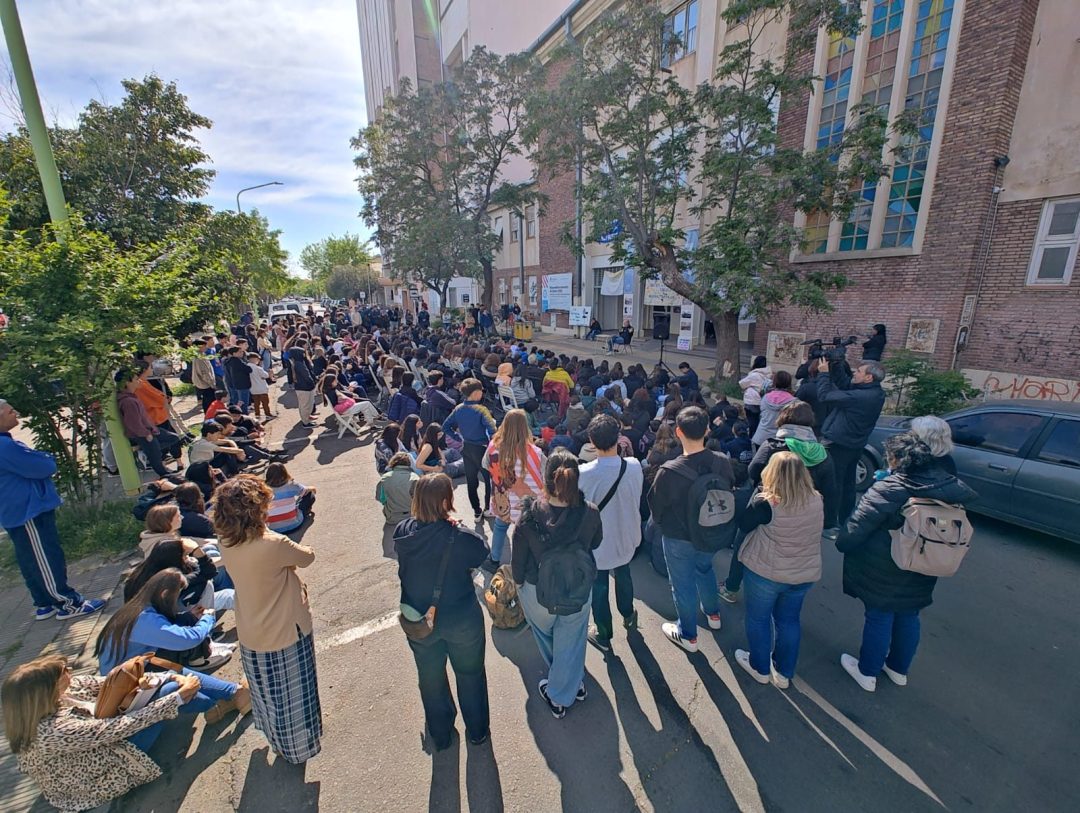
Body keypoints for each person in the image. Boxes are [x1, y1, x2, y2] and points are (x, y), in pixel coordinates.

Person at [836, 433, 975, 692]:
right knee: (909, 614)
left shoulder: (889, 487)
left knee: (879, 615)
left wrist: (842, 543)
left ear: (899, 459)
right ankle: (898, 668)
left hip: (884, 564)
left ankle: (867, 672)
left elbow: (856, 527)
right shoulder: (947, 486)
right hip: (926, 561)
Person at [2, 653, 202, 813]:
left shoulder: (67, 689)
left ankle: (227, 694)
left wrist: (167, 676)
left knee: (170, 686)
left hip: (103, 740)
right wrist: (178, 697)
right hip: (100, 774)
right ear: (46, 690)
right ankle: (225, 697)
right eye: (63, 671)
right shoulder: (50, 733)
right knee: (169, 694)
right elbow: (121, 727)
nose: (70, 670)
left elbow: (113, 682)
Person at [214, 475, 322, 762]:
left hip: (251, 626)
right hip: (286, 627)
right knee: (295, 696)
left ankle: (273, 737)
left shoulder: (226, 540)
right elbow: (307, 557)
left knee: (268, 694)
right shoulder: (271, 543)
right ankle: (298, 749)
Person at [394, 474, 490, 749]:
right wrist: (456, 525)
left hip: (420, 619)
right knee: (470, 674)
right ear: (446, 501)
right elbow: (481, 551)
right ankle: (478, 730)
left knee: (430, 676)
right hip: (461, 619)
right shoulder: (459, 537)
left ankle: (441, 732)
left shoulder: (403, 532)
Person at [512, 450, 602, 718]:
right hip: (579, 586)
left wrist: (519, 587)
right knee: (572, 639)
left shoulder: (529, 515)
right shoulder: (590, 512)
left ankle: (559, 694)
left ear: (545, 478)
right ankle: (571, 682)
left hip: (538, 591)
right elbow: (595, 543)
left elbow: (518, 563)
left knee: (547, 635)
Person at [0, 399, 106, 621]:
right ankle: (67, 603)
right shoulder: (5, 447)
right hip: (27, 509)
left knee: (29, 557)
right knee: (45, 556)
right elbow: (43, 466)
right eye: (11, 411)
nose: (16, 413)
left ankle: (43, 603)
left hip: (16, 509)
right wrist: (46, 457)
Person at [732, 452, 824, 688]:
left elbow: (744, 524)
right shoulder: (816, 499)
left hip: (767, 572)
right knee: (789, 621)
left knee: (759, 619)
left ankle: (759, 667)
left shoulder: (767, 503)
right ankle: (784, 672)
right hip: (803, 572)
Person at [648, 406, 734, 653]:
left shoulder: (668, 472)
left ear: (678, 432)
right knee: (705, 570)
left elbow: (656, 506)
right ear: (707, 429)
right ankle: (713, 613)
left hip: (679, 537)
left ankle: (688, 634)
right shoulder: (722, 462)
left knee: (682, 584)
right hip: (712, 531)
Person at [578, 415, 643, 652]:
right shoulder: (634, 466)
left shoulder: (583, 473)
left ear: (591, 442)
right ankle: (628, 614)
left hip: (597, 543)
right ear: (618, 438)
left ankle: (604, 634)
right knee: (624, 575)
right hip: (627, 535)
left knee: (599, 586)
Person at [817, 356, 887, 523]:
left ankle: (830, 522)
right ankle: (845, 518)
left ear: (869, 377)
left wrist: (824, 374)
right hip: (854, 444)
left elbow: (824, 396)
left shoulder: (860, 397)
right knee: (849, 483)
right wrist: (838, 363)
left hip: (840, 445)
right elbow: (846, 384)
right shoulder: (875, 392)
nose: (855, 374)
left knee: (835, 484)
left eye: (859, 372)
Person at [482, 409, 546, 574]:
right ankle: (524, 565)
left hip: (503, 499)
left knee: (500, 527)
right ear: (525, 427)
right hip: (527, 504)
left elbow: (484, 465)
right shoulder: (535, 453)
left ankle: (494, 559)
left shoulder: (493, 448)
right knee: (526, 534)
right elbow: (544, 477)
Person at [442, 379, 497, 521]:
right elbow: (493, 431)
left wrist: (458, 438)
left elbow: (445, 426)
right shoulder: (482, 410)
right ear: (476, 393)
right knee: (489, 480)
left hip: (466, 447)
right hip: (482, 449)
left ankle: (476, 511)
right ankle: (487, 509)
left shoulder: (459, 408)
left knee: (471, 481)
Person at [117, 370, 182, 477]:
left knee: (173, 438)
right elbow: (133, 423)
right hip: (144, 433)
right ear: (128, 382)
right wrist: (146, 434)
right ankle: (164, 474)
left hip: (151, 429)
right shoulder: (128, 401)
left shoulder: (132, 396)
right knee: (155, 456)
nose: (139, 381)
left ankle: (144, 452)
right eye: (135, 379)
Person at [265, 462, 317, 533]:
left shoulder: (263, 488)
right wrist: (313, 488)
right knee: (309, 495)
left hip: (273, 529)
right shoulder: (291, 484)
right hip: (294, 525)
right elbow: (308, 490)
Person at [751, 370, 796, 448]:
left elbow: (762, 415)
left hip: (761, 437)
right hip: (780, 440)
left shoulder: (765, 398)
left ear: (774, 382)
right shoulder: (793, 401)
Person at [377, 452, 419, 525]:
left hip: (392, 518)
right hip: (412, 517)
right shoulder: (415, 478)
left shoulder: (385, 478)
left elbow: (381, 499)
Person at [288, 339, 318, 428]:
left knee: (303, 405)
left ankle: (306, 418)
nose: (304, 354)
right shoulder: (299, 364)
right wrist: (312, 383)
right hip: (305, 387)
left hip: (301, 387)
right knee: (306, 405)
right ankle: (306, 422)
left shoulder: (295, 362)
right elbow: (306, 375)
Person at [739, 356, 772, 437]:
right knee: (758, 420)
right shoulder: (768, 375)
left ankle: (750, 436)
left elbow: (742, 384)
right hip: (763, 400)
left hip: (751, 400)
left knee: (751, 420)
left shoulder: (754, 375)